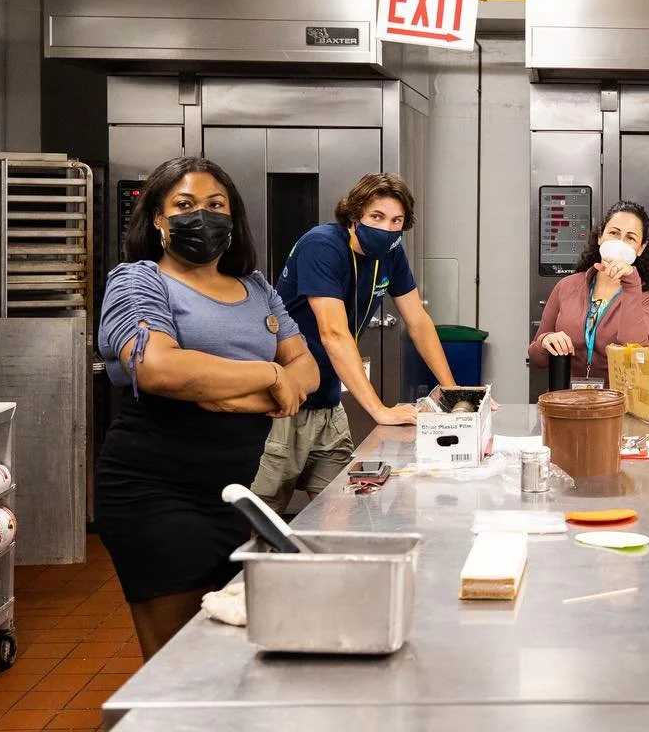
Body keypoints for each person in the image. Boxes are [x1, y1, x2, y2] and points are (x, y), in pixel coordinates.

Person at [95, 157, 319, 659]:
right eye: (185, 205)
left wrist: (223, 387)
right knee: (179, 661)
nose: (203, 215)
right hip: (155, 492)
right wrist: (269, 375)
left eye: (216, 204)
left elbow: (307, 368)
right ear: (157, 218)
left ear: (232, 216)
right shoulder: (139, 281)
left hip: (234, 494)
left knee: (228, 645)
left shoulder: (256, 287)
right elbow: (158, 368)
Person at [254, 173, 458, 513]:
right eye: (377, 217)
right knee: (262, 513)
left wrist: (453, 393)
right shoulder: (322, 246)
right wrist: (379, 410)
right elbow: (333, 333)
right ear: (354, 215)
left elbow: (419, 322)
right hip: (283, 405)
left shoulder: (390, 252)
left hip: (328, 403)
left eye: (397, 221)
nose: (387, 229)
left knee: (346, 506)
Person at [529, 200, 649, 386]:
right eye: (614, 233)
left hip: (619, 407)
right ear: (600, 236)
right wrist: (546, 341)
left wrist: (631, 283)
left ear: (641, 248)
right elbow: (536, 357)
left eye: (630, 238)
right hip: (568, 403)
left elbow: (633, 347)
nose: (620, 242)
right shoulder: (567, 286)